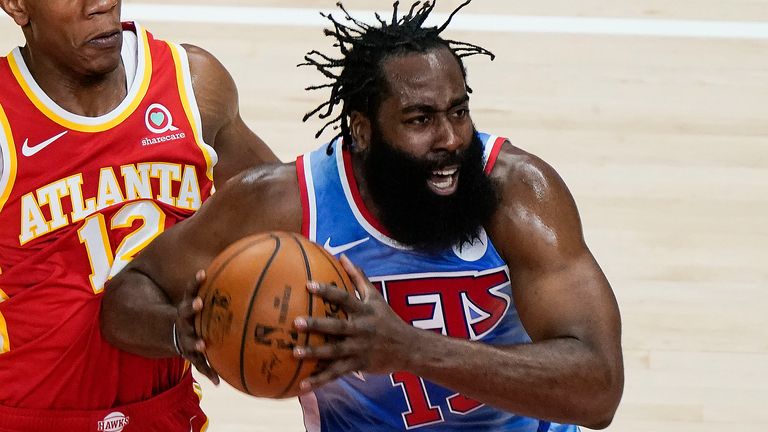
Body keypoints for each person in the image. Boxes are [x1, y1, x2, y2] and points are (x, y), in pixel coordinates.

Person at [102, 1, 624, 431]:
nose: (449, 139)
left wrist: (410, 349)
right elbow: (129, 294)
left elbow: (598, 389)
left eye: (458, 111)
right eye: (420, 119)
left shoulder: (517, 192)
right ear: (363, 130)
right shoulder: (287, 201)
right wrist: (184, 331)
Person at [0, 0, 277, 430]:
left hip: (164, 410)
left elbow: (283, 210)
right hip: (28, 414)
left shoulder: (193, 85)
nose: (103, 4)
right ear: (17, 6)